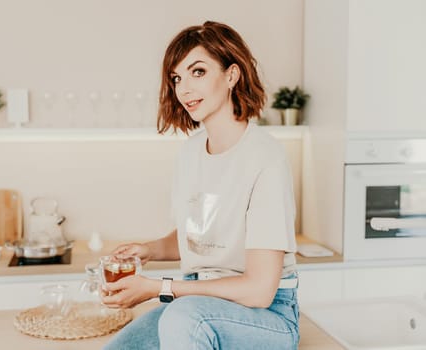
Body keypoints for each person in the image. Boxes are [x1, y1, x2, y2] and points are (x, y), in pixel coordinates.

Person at [102, 20, 299, 350]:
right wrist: (149, 249)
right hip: (197, 302)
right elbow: (199, 239)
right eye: (177, 78)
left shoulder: (266, 159)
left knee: (182, 318)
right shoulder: (191, 153)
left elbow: (260, 289)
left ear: (232, 75)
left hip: (266, 316)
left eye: (198, 72)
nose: (184, 89)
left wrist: (158, 288)